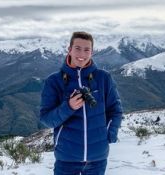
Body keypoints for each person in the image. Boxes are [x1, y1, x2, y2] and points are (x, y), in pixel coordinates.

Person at [39, 31, 123, 175]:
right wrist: (69, 107)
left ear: (92, 52)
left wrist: (109, 135)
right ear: (69, 49)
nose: (82, 54)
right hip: (67, 158)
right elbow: (46, 119)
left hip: (97, 159)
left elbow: (115, 110)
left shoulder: (103, 78)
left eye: (86, 50)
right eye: (77, 48)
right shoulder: (54, 81)